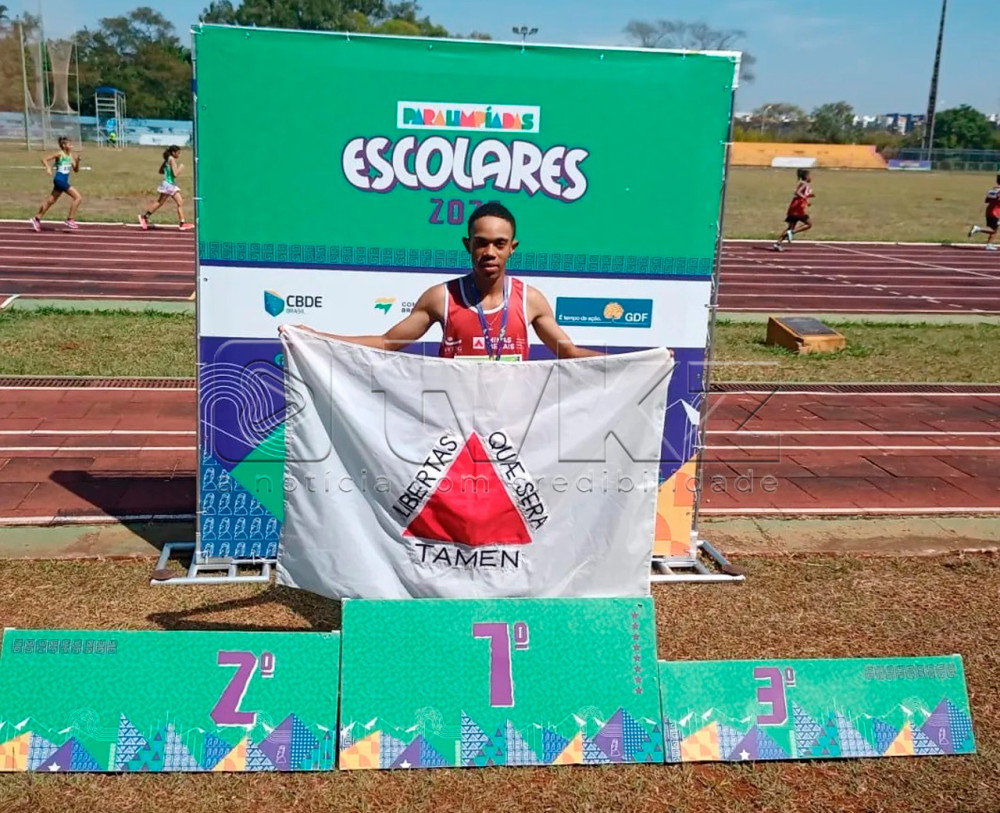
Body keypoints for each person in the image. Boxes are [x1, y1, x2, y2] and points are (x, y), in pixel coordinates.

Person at [280, 202, 601, 360]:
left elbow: (569, 352)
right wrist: (317, 338)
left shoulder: (530, 299)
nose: (490, 252)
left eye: (499, 244)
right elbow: (387, 342)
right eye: (481, 242)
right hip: (450, 431)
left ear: (512, 248)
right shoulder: (441, 297)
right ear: (468, 245)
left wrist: (646, 364)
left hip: (512, 431)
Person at [30, 136, 82, 231]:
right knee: (78, 197)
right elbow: (44, 159)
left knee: (50, 201)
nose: (71, 146)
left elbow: (76, 170)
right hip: (59, 180)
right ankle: (70, 219)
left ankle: (36, 218)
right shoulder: (60, 154)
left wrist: (77, 161)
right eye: (69, 144)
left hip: (63, 181)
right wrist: (48, 168)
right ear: (64, 145)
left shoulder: (71, 156)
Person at [139, 145, 194, 231]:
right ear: (173, 152)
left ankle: (145, 217)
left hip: (168, 184)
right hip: (169, 184)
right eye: (178, 153)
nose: (179, 155)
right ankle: (145, 217)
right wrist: (180, 168)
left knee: (165, 202)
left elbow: (160, 171)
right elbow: (175, 174)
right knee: (174, 203)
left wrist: (167, 171)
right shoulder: (172, 160)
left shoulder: (167, 160)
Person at [772, 168, 815, 251]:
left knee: (790, 227)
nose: (811, 177)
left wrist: (808, 196)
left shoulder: (802, 183)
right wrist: (805, 198)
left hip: (794, 207)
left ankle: (777, 244)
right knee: (809, 224)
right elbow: (797, 192)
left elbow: (801, 193)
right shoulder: (804, 184)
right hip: (798, 208)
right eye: (810, 175)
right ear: (806, 176)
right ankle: (792, 232)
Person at [967, 173, 1000, 251]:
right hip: (996, 211)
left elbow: (986, 200)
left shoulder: (993, 189)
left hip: (989, 210)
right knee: (993, 229)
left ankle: (989, 244)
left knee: (993, 228)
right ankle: (978, 228)